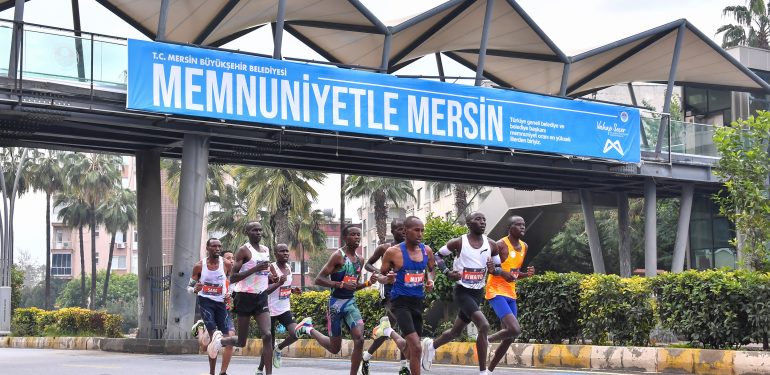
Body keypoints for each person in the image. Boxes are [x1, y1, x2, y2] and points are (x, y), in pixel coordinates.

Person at [421, 212, 500, 375]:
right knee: (484, 325)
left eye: (484, 219)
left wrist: (494, 269)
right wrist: (448, 272)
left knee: (455, 332)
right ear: (469, 224)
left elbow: (498, 268)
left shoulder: (492, 245)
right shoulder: (459, 242)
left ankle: (431, 345)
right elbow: (437, 256)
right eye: (478, 219)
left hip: (477, 292)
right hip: (462, 291)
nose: (482, 222)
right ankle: (483, 372)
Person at [294, 225, 371, 375]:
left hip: (350, 303)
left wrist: (368, 283)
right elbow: (319, 279)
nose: (357, 237)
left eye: (358, 234)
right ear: (345, 238)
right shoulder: (338, 256)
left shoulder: (360, 260)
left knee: (360, 340)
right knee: (335, 348)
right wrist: (340, 284)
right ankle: (308, 328)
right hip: (335, 305)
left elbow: (353, 287)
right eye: (353, 234)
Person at [208, 222, 275, 375]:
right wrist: (255, 269)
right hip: (245, 297)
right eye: (254, 230)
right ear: (247, 232)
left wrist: (270, 276)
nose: (258, 232)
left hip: (261, 296)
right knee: (241, 342)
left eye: (260, 230)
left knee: (267, 335)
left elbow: (263, 272)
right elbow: (233, 277)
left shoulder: (265, 250)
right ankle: (220, 341)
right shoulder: (243, 250)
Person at [377, 216, 435, 375]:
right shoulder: (393, 252)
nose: (420, 234)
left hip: (418, 302)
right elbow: (380, 276)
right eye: (416, 230)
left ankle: (389, 332)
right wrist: (387, 279)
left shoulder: (426, 250)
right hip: (400, 303)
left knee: (411, 351)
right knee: (416, 347)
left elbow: (431, 270)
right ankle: (391, 333)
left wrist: (430, 281)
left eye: (422, 230)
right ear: (406, 231)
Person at [485, 216, 535, 373]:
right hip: (496, 291)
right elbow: (492, 268)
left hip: (510, 293)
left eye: (523, 224)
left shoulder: (524, 246)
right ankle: (486, 339)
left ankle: (488, 371)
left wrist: (526, 275)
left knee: (510, 337)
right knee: (514, 329)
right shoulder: (500, 245)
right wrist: (500, 272)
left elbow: (514, 273)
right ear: (509, 228)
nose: (522, 227)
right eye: (518, 224)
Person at [362, 219, 409, 375]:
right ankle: (404, 367)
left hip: (405, 290)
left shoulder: (409, 248)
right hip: (388, 290)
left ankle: (366, 356)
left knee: (388, 329)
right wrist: (380, 272)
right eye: (400, 229)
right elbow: (368, 264)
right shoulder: (384, 248)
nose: (404, 232)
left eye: (405, 229)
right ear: (393, 231)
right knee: (404, 324)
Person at [187, 238, 234, 375]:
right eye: (214, 246)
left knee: (228, 338)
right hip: (206, 303)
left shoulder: (226, 264)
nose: (217, 249)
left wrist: (229, 293)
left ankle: (221, 372)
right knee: (215, 338)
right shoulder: (199, 266)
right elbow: (189, 287)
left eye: (219, 246)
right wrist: (194, 289)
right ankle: (212, 372)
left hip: (221, 303)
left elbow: (232, 283)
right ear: (207, 248)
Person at [256, 243, 303, 375]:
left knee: (296, 333)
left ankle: (279, 348)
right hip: (269, 311)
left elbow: (285, 287)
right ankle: (260, 369)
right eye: (282, 251)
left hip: (284, 309)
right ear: (275, 254)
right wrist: (279, 283)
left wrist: (292, 290)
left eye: (287, 251)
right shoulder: (271, 268)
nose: (285, 253)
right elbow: (264, 291)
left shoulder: (289, 267)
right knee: (268, 344)